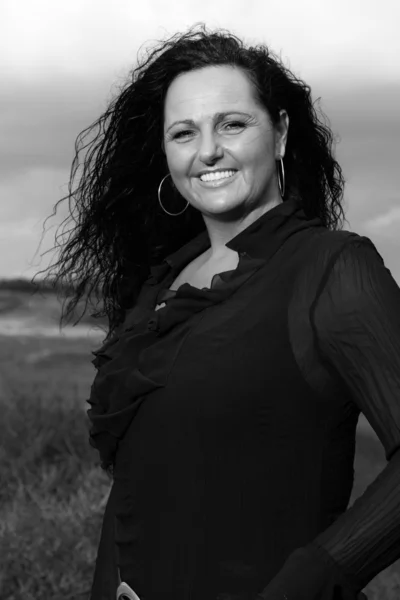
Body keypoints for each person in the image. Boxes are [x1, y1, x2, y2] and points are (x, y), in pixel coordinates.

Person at [43, 25, 400, 600]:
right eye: (184, 132)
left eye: (232, 124)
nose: (207, 150)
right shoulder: (161, 284)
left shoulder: (330, 269)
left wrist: (315, 577)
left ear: (281, 133)